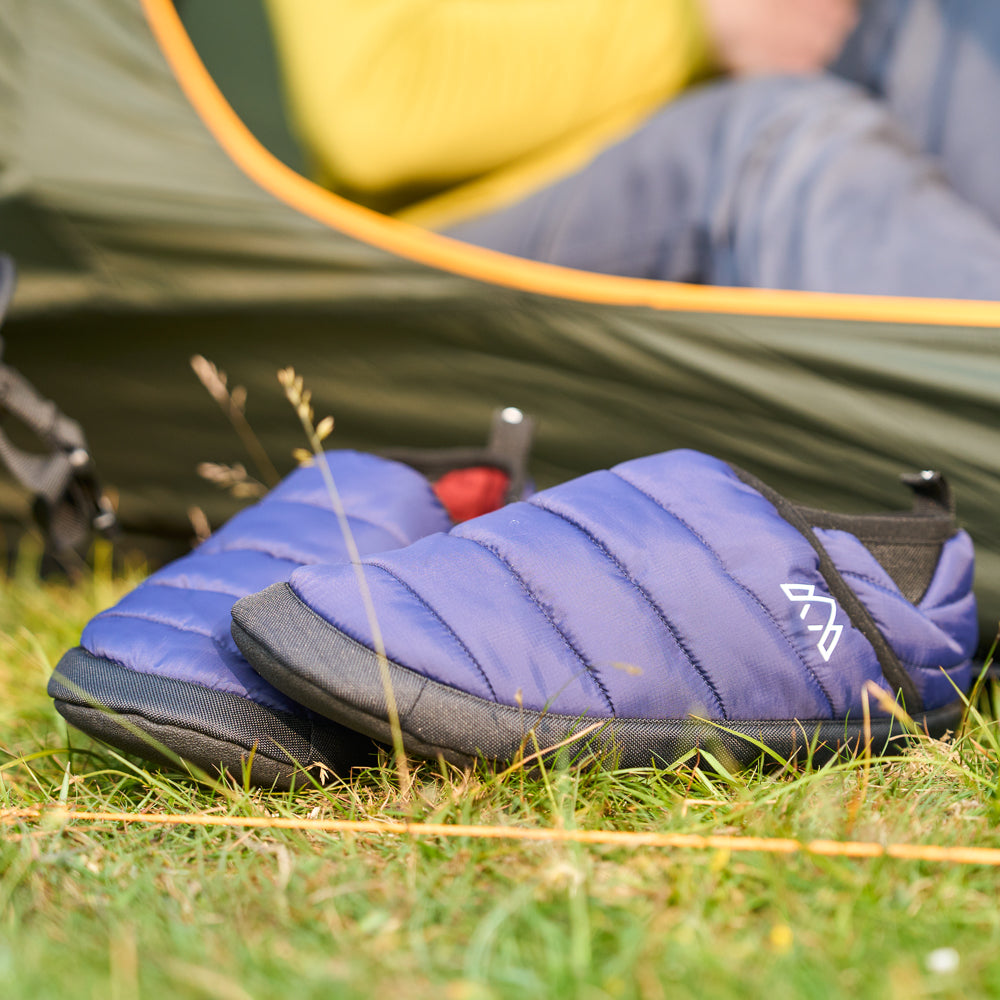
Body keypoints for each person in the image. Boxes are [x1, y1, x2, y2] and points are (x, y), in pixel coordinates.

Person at [264, 0, 1000, 300]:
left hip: (686, 118)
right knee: (778, 144)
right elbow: (376, 113)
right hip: (441, 233)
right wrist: (693, 27)